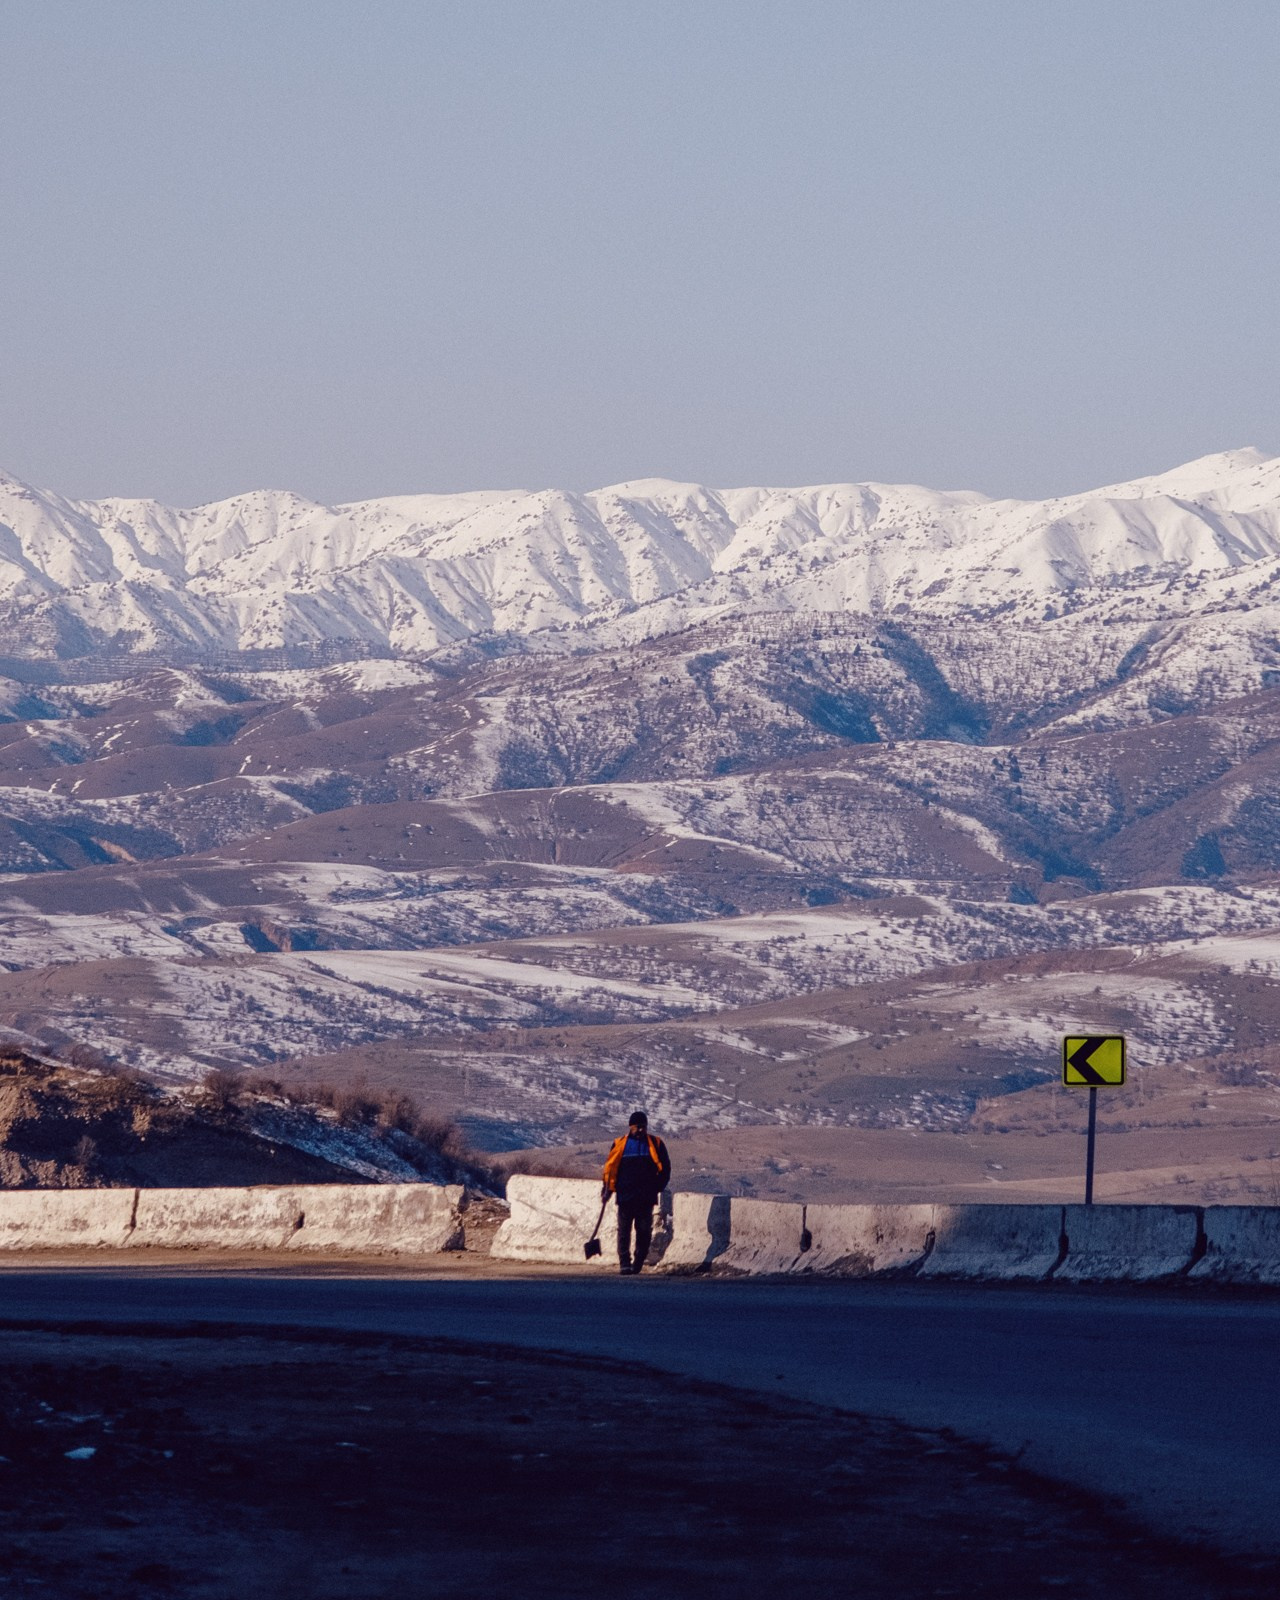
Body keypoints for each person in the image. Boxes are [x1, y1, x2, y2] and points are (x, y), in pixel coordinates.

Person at [601, 1110, 671, 1274]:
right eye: (637, 1127)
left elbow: (665, 1168)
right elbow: (610, 1169)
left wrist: (657, 1187)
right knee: (624, 1231)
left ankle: (639, 1260)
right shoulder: (619, 1144)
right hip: (625, 1196)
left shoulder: (656, 1144)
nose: (640, 1130)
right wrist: (607, 1190)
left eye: (643, 1127)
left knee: (644, 1231)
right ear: (630, 1127)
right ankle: (624, 1262)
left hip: (646, 1197)